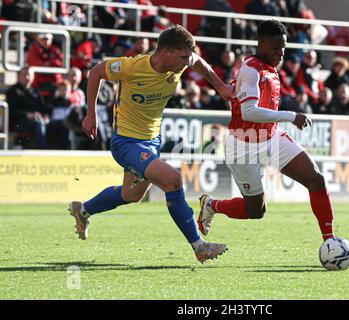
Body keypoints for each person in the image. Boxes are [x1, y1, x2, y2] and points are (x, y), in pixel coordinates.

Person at [68, 25, 233, 263]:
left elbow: (200, 64)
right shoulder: (131, 67)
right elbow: (95, 73)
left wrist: (221, 87)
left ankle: (82, 210)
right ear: (165, 53)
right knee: (173, 180)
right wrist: (90, 114)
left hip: (151, 141)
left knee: (131, 195)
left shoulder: (183, 60)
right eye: (182, 57)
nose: (187, 62)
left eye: (188, 57)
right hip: (126, 142)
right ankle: (199, 245)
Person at [196, 20, 349, 261]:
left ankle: (331, 242)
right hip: (244, 145)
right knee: (256, 211)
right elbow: (249, 111)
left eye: (283, 48)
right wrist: (291, 116)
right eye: (274, 48)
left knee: (316, 179)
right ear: (260, 44)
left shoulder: (268, 67)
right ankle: (212, 205)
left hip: (270, 137)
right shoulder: (251, 69)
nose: (280, 54)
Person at [5, 66, 48, 149]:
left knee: (62, 124)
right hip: (19, 123)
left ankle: (64, 152)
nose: (27, 77)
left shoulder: (36, 91)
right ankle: (44, 151)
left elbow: (44, 109)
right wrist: (27, 115)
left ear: (33, 77)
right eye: (24, 75)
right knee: (38, 123)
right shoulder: (12, 91)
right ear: (18, 76)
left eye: (29, 75)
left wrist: (46, 117)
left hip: (39, 120)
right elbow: (12, 111)